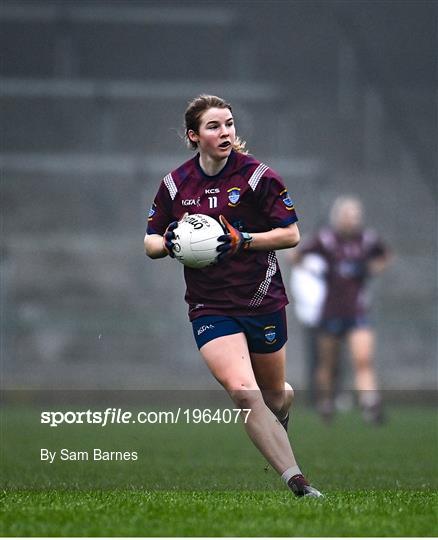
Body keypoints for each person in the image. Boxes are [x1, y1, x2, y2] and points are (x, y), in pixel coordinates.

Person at [144, 94, 322, 497]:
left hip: (261, 299)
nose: (225, 132)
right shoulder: (176, 184)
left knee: (275, 396)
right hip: (211, 306)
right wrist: (171, 241)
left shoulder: (258, 178)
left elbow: (291, 234)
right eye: (213, 126)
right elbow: (151, 242)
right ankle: (298, 482)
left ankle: (280, 415)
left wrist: (243, 240)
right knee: (244, 392)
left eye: (229, 124)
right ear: (194, 136)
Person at [293, 196, 392, 423]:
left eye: (354, 215)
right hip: (330, 310)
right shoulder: (325, 239)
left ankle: (370, 404)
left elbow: (385, 256)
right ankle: (326, 403)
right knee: (328, 363)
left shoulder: (367, 240)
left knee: (363, 359)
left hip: (357, 310)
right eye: (346, 215)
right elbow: (296, 255)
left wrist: (369, 269)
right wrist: (314, 271)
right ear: (336, 217)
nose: (350, 220)